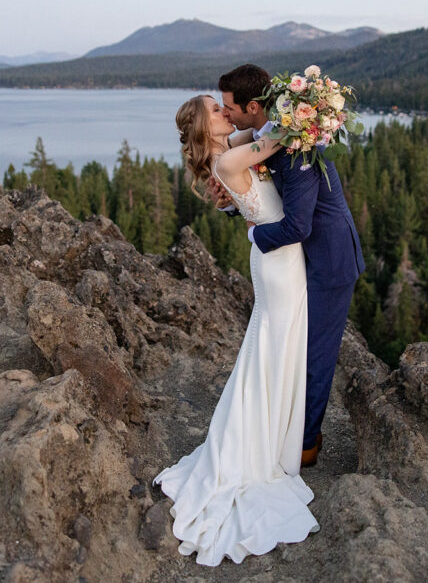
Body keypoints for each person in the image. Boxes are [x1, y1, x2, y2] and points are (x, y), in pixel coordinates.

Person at [153, 94, 320, 566]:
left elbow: (261, 132)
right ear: (206, 125)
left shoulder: (229, 149)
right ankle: (262, 447)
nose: (225, 111)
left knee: (274, 348)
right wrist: (314, 108)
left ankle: (273, 436)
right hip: (278, 265)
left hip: (279, 260)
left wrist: (293, 112)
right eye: (216, 108)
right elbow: (280, 136)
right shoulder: (228, 157)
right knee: (274, 347)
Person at [214, 64, 365, 467]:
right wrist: (236, 204)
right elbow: (263, 193)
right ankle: (284, 425)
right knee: (295, 348)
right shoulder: (270, 136)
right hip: (300, 260)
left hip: (327, 259)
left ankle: (306, 443)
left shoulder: (297, 149)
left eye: (229, 107)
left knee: (315, 354)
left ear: (251, 106)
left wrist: (253, 235)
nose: (225, 114)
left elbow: (297, 224)